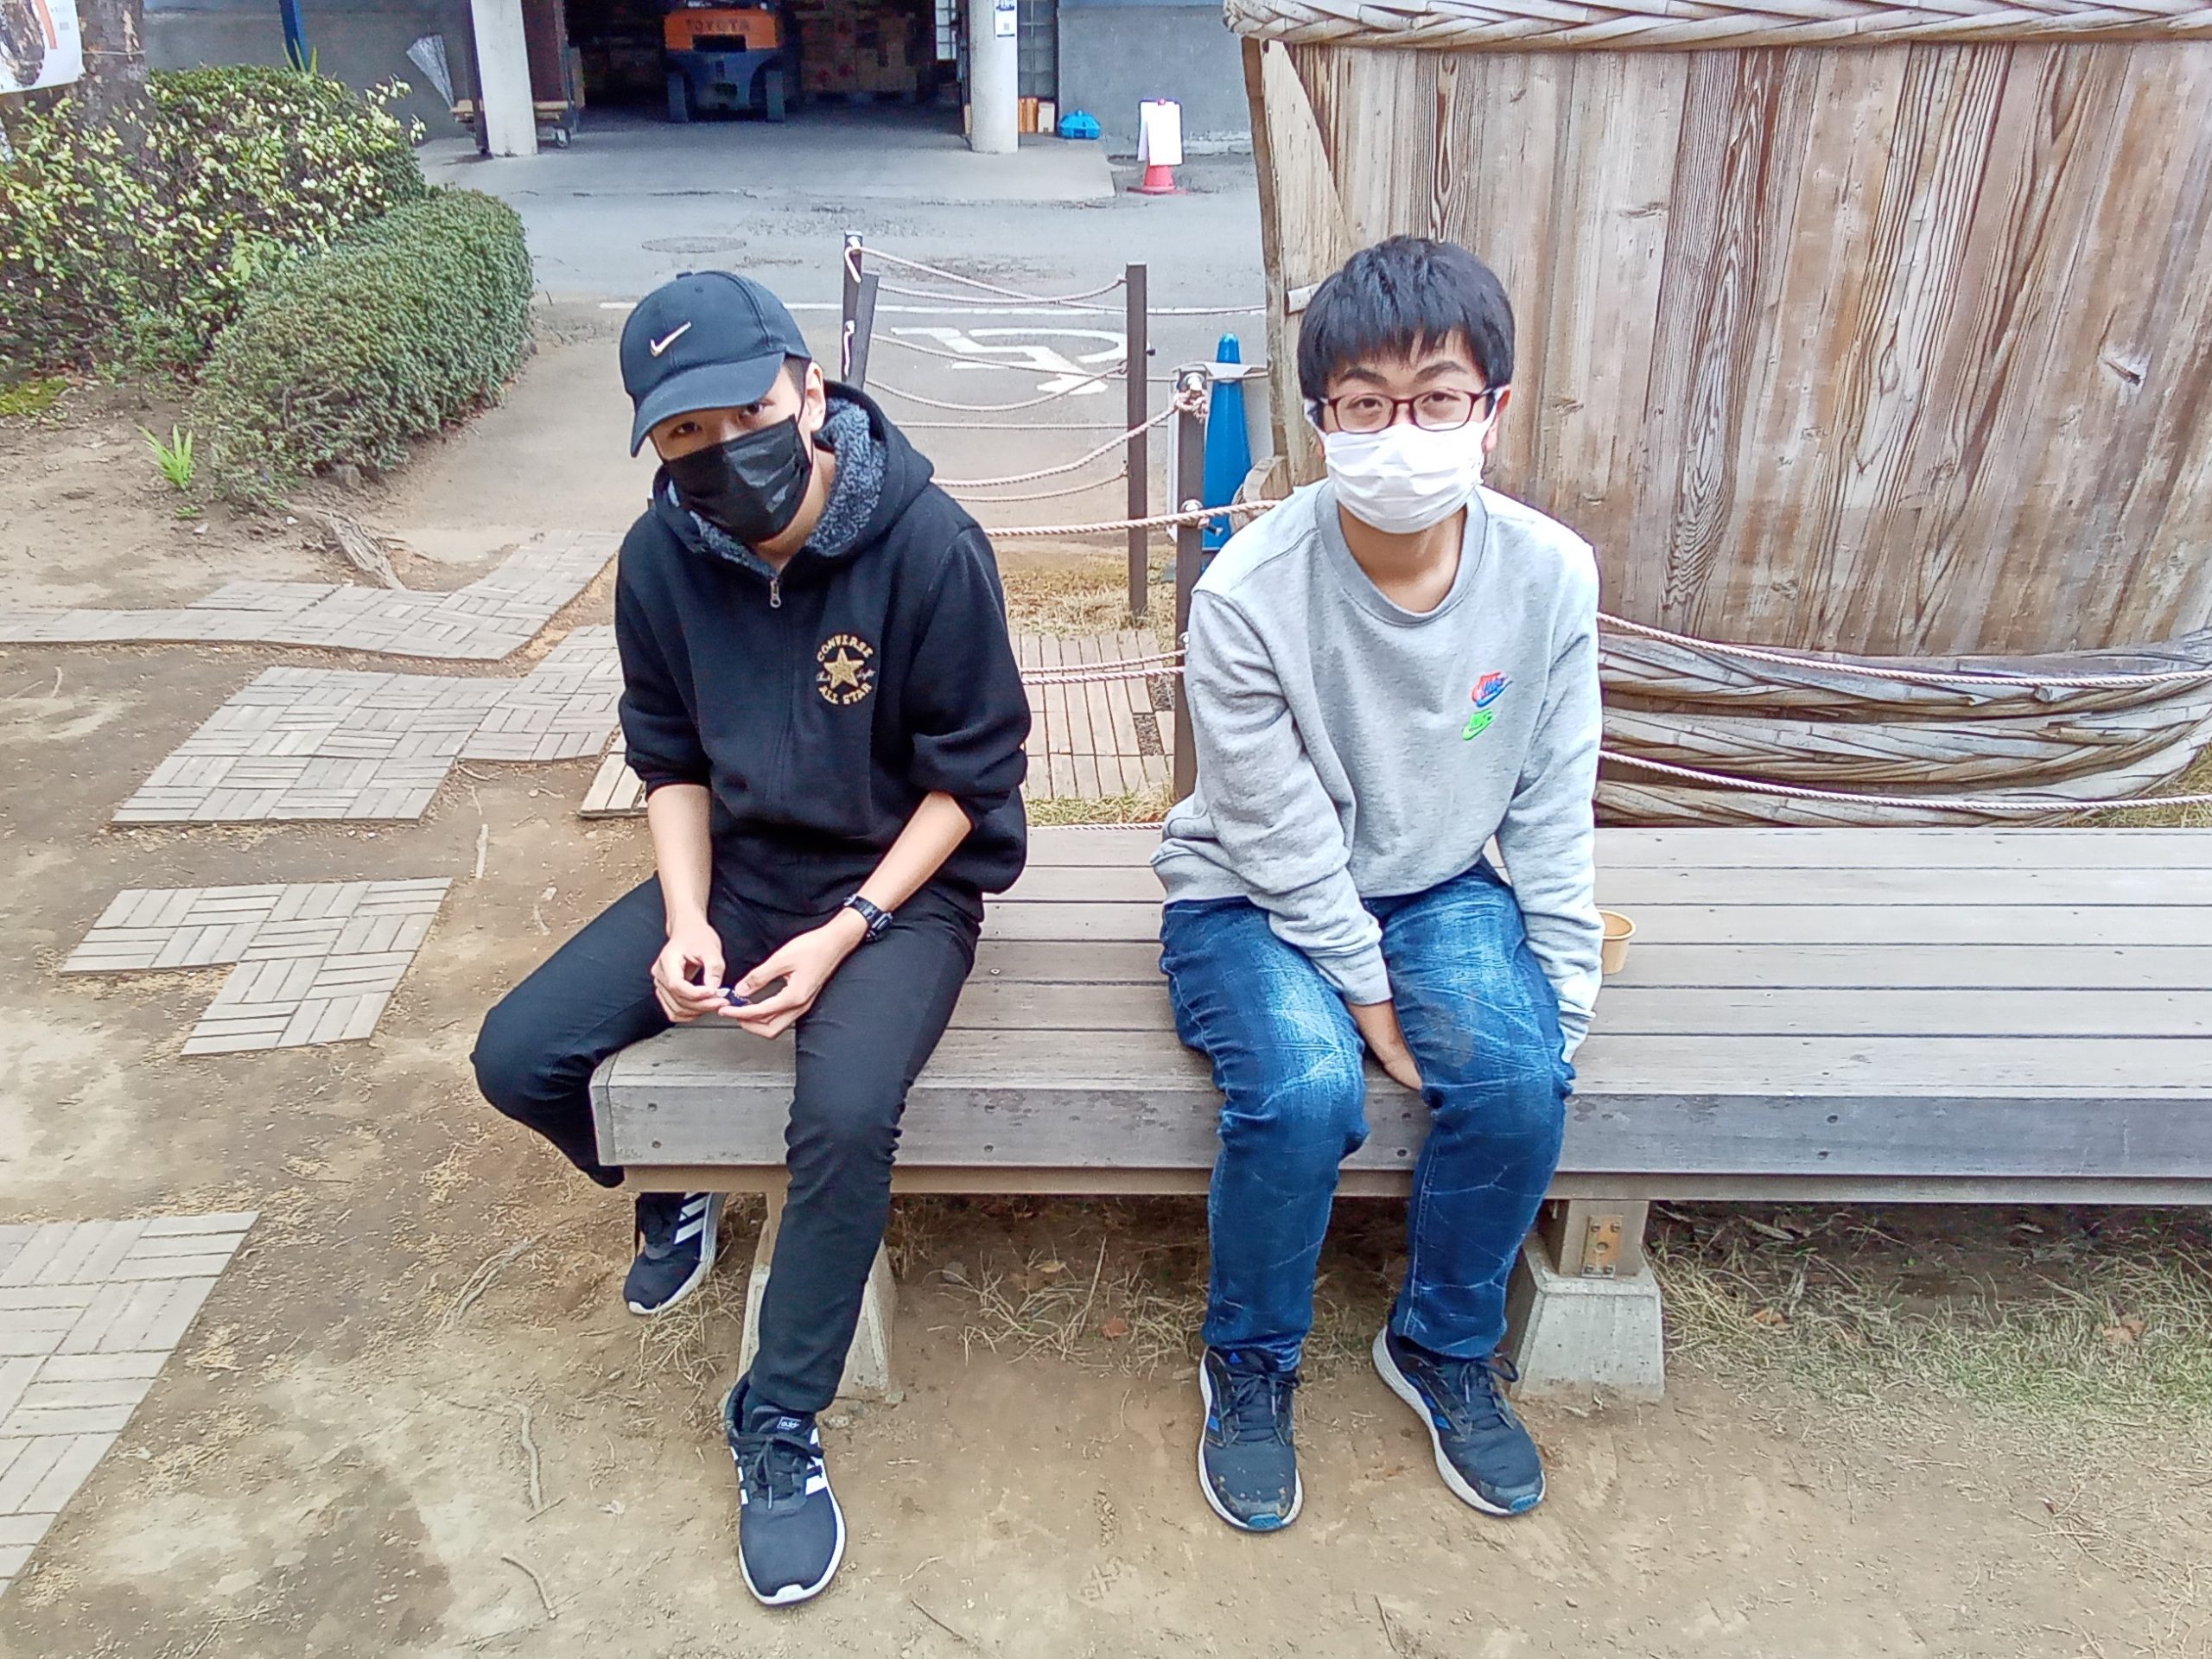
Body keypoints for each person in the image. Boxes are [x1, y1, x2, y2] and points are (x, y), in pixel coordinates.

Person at [472, 270, 1029, 1605]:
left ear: (809, 392)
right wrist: (684, 923)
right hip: (739, 869)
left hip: (902, 890)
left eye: (748, 416)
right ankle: (672, 1187)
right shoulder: (660, 559)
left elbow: (972, 781)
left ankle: (777, 1418)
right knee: (519, 1056)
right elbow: (667, 759)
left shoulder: (931, 544)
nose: (723, 453)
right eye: (684, 434)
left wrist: (848, 930)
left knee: (842, 1114)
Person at [1154, 236, 1600, 1532]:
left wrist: (1564, 994)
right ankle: (1249, 1360)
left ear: (1493, 409)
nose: (1401, 434)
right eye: (1364, 404)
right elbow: (1271, 826)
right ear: (1319, 422)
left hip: (1439, 880)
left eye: (1437, 398)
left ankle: (1444, 1345)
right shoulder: (1247, 594)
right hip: (1247, 894)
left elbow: (1553, 798)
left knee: (1519, 1077)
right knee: (1305, 1092)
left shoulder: (1549, 575)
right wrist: (1365, 990)